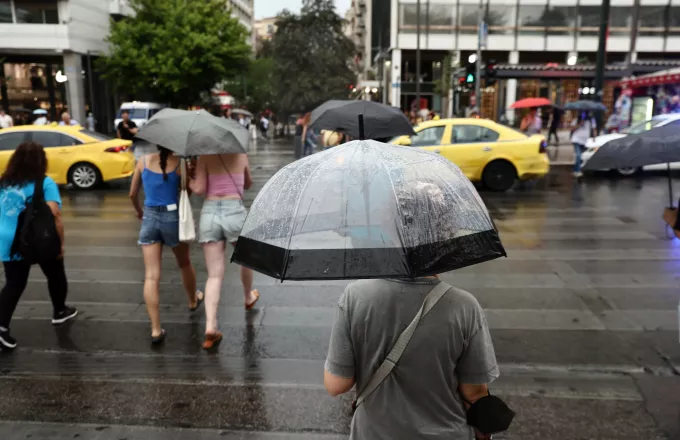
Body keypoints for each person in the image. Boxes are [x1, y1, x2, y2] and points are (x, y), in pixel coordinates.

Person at [324, 182, 499, 440]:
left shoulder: (356, 297)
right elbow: (475, 392)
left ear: (389, 231)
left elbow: (336, 384)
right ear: (446, 236)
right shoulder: (464, 307)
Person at [0, 142, 78, 349]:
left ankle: (2, 328)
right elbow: (56, 214)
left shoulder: (4, 182)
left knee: (14, 284)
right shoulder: (45, 183)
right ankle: (59, 311)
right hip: (38, 239)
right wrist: (61, 243)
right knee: (55, 272)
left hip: (8, 239)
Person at [129, 148, 203, 344]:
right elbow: (187, 193)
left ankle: (155, 329)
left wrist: (139, 212)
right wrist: (190, 170)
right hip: (173, 218)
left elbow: (132, 193)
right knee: (184, 263)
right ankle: (193, 300)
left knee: (151, 276)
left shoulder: (142, 161)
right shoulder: (179, 164)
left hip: (149, 217)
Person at [189, 152, 258, 350]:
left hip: (210, 214)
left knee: (214, 276)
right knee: (246, 259)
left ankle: (211, 326)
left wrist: (191, 178)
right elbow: (247, 184)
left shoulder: (205, 157)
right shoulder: (241, 156)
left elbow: (200, 188)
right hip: (235, 213)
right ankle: (248, 297)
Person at [570, 111, 594, 178]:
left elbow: (593, 129)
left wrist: (594, 138)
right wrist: (579, 124)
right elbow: (572, 129)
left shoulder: (590, 121)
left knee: (582, 157)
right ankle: (577, 171)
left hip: (584, 141)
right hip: (576, 140)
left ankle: (575, 169)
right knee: (578, 155)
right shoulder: (576, 120)